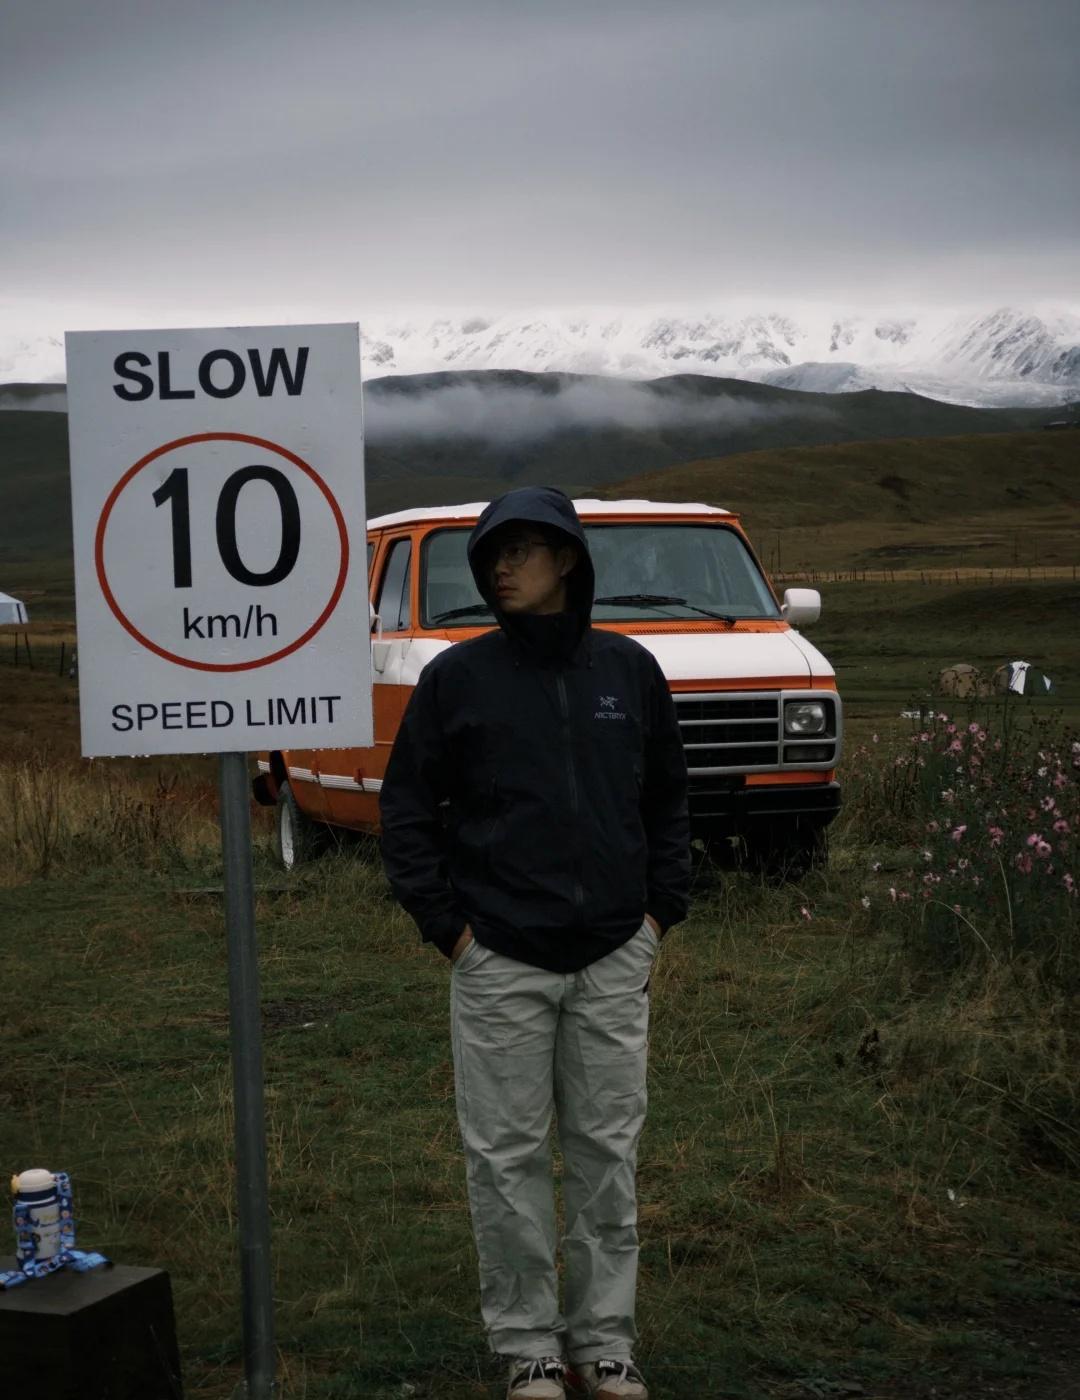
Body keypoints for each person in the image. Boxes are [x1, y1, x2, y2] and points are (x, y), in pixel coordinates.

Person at [380, 487, 690, 1400]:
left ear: (567, 560)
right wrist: (453, 933)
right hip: (500, 959)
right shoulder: (457, 679)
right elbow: (407, 812)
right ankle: (529, 1348)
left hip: (611, 954)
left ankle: (604, 1343)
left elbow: (668, 800)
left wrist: (656, 917)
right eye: (491, 555)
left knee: (606, 1152)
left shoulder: (628, 671)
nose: (501, 567)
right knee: (505, 1156)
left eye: (520, 550)